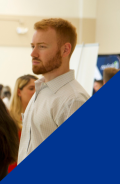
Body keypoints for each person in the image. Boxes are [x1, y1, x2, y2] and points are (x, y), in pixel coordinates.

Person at [18, 18, 90, 163]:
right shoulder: (40, 91)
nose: (33, 53)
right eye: (33, 46)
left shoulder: (74, 100)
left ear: (65, 50)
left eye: (42, 46)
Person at [7, 74, 38, 172]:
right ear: (19, 92)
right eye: (31, 88)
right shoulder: (8, 118)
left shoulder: (40, 115)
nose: (36, 91)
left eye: (39, 88)